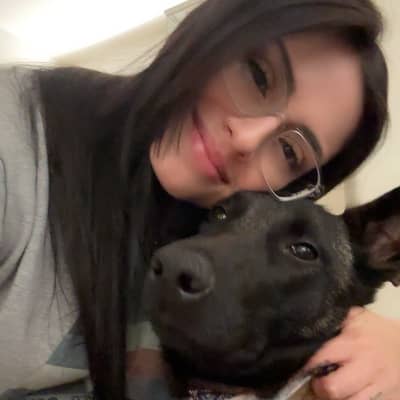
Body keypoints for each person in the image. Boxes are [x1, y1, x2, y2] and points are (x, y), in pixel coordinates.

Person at [0, 0, 398, 399]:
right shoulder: (14, 145)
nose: (247, 138)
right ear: (217, 32)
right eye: (258, 77)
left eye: (289, 152)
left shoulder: (207, 217)